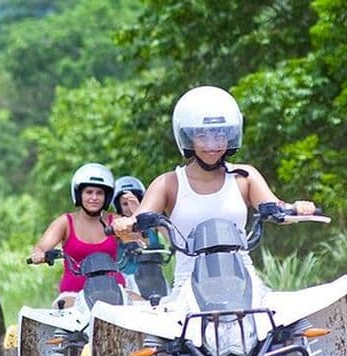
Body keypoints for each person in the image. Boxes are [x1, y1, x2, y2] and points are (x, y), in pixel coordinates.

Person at [113, 85, 315, 293]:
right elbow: (138, 223)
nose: (212, 144)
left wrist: (297, 208)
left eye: (220, 135)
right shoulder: (168, 183)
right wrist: (126, 225)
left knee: (292, 321)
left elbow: (277, 208)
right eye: (202, 136)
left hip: (244, 281)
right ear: (189, 137)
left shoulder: (245, 177)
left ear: (231, 136)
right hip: (189, 288)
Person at [29, 163, 125, 309]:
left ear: (107, 196)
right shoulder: (65, 222)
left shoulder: (115, 222)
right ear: (79, 194)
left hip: (115, 291)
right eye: (89, 192)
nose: (94, 197)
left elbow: (142, 240)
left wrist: (136, 212)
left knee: (143, 308)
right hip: (73, 295)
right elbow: (41, 247)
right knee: (61, 316)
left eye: (99, 193)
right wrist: (39, 254)